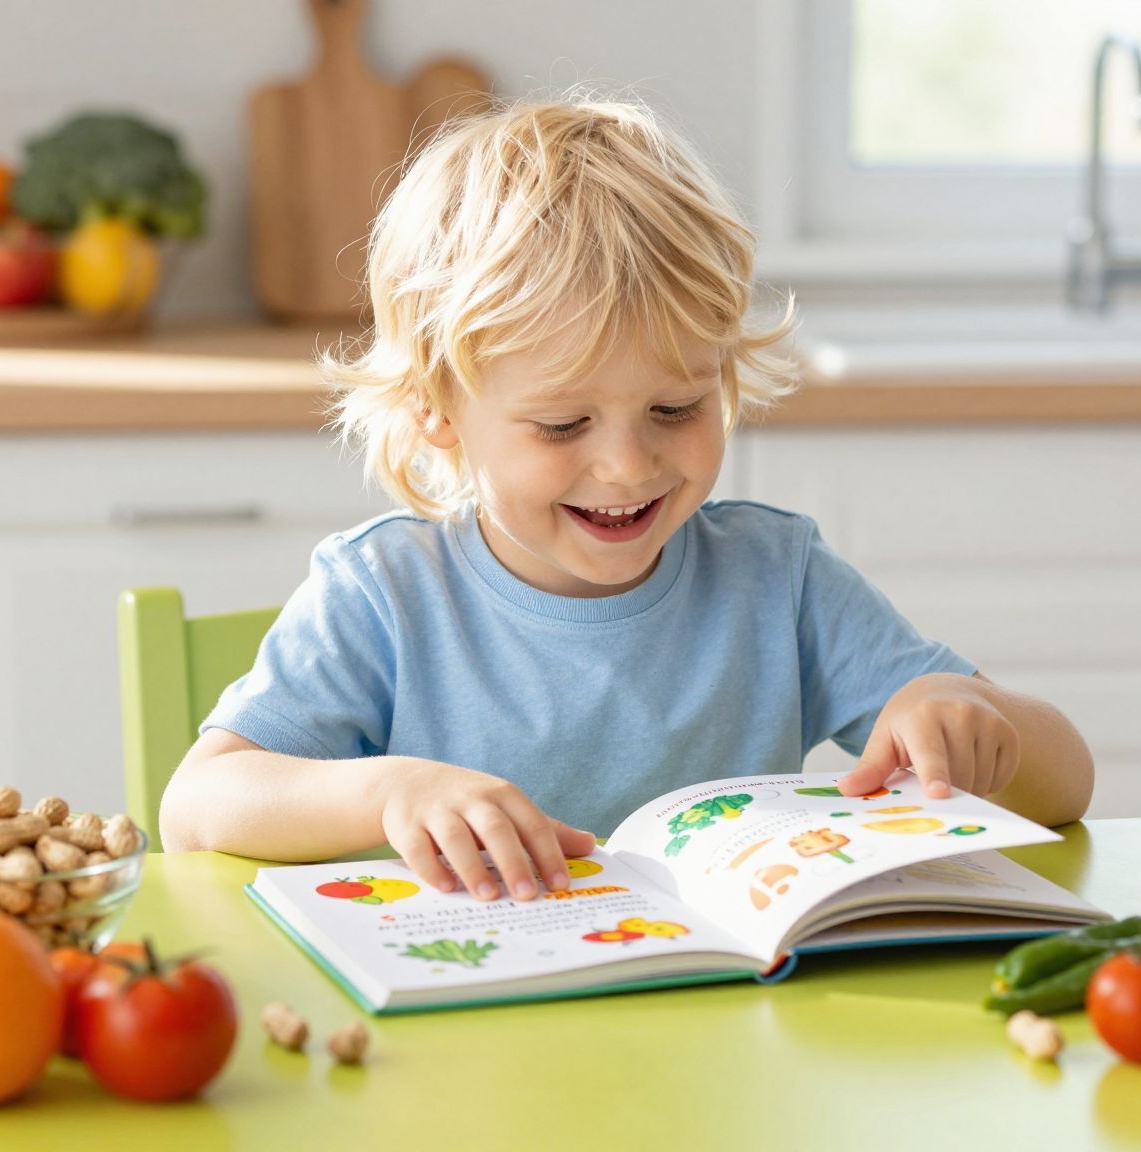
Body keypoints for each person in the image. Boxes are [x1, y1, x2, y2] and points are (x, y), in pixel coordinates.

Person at [160, 98, 1094, 901]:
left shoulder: (777, 578)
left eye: (676, 407)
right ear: (438, 411)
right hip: (462, 1053)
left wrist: (964, 718)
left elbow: (1068, 783)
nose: (627, 465)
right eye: (563, 425)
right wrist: (388, 793)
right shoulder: (383, 594)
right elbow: (197, 808)